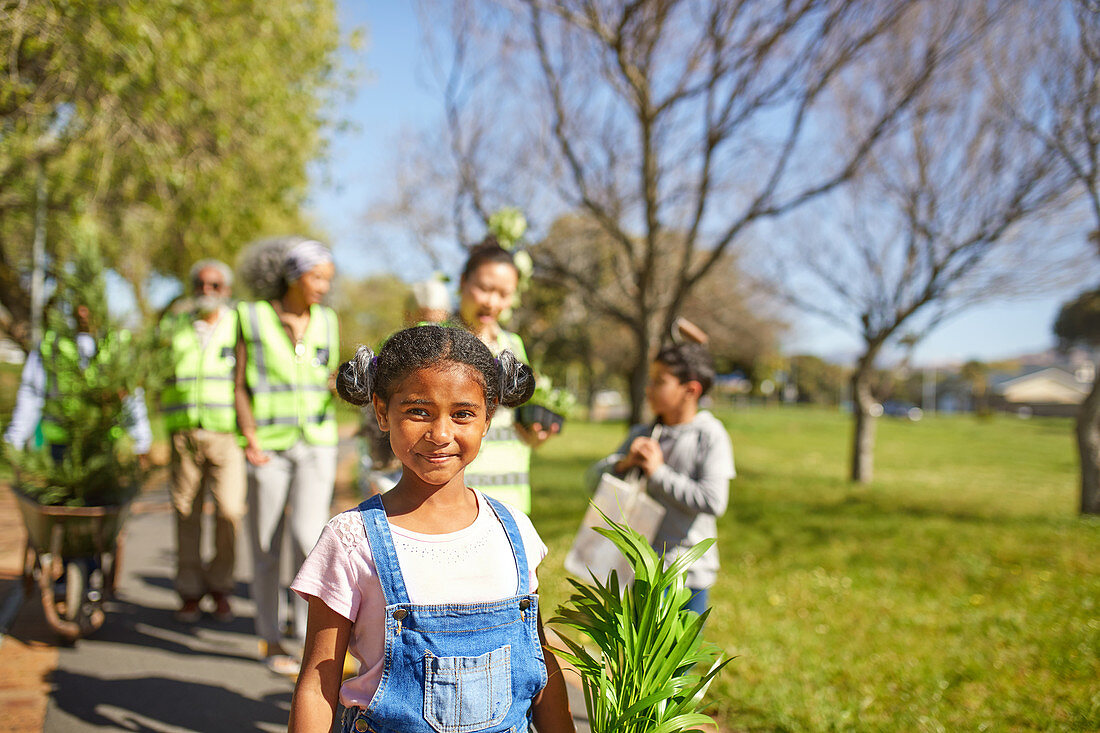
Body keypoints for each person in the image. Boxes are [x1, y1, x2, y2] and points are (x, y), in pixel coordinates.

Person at [288, 325, 575, 733]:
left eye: (463, 414)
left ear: (488, 417)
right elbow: (317, 686)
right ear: (382, 412)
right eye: (418, 411)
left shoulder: (515, 533)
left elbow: (541, 662)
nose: (441, 434)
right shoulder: (352, 539)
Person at [234, 237, 339, 674]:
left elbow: (327, 374)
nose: (323, 288)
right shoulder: (252, 316)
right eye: (316, 278)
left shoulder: (328, 320)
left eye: (327, 281)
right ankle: (269, 639)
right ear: (294, 276)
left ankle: (305, 639)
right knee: (265, 543)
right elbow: (238, 382)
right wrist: (250, 437)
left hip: (317, 442)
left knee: (309, 539)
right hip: (268, 447)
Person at [592, 341, 734, 616]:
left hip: (689, 573)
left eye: (660, 381)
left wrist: (658, 473)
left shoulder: (709, 435)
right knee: (641, 657)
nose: (649, 388)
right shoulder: (642, 434)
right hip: (642, 568)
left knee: (679, 658)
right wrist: (623, 464)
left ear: (690, 390)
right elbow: (592, 483)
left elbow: (714, 500)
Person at [160, 260, 246, 623]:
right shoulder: (173, 326)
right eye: (200, 284)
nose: (206, 291)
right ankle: (190, 591)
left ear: (225, 290)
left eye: (214, 285)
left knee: (229, 511)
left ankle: (221, 586)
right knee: (186, 513)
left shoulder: (239, 326)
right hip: (183, 433)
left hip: (227, 434)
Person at [457, 237, 556, 514]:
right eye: (484, 289)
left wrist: (535, 431)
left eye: (503, 294)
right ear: (463, 281)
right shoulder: (433, 337)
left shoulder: (514, 345)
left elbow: (517, 420)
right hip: (453, 498)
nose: (492, 302)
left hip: (511, 500)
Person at [4, 303, 152, 460]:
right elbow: (32, 393)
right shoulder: (52, 343)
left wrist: (141, 439)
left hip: (105, 443)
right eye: (78, 302)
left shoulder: (116, 341)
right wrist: (15, 439)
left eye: (88, 302)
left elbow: (131, 394)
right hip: (61, 445)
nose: (83, 312)